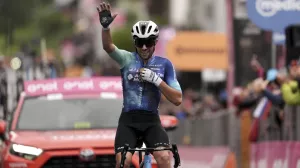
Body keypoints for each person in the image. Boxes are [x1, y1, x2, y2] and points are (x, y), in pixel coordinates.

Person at [97, 2, 182, 168]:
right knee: (124, 161)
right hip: (128, 121)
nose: (144, 47)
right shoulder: (126, 59)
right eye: (140, 42)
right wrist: (106, 28)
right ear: (134, 42)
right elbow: (108, 47)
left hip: (151, 121)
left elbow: (177, 99)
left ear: (155, 42)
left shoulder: (164, 64)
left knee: (164, 158)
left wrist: (157, 80)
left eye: (148, 42)